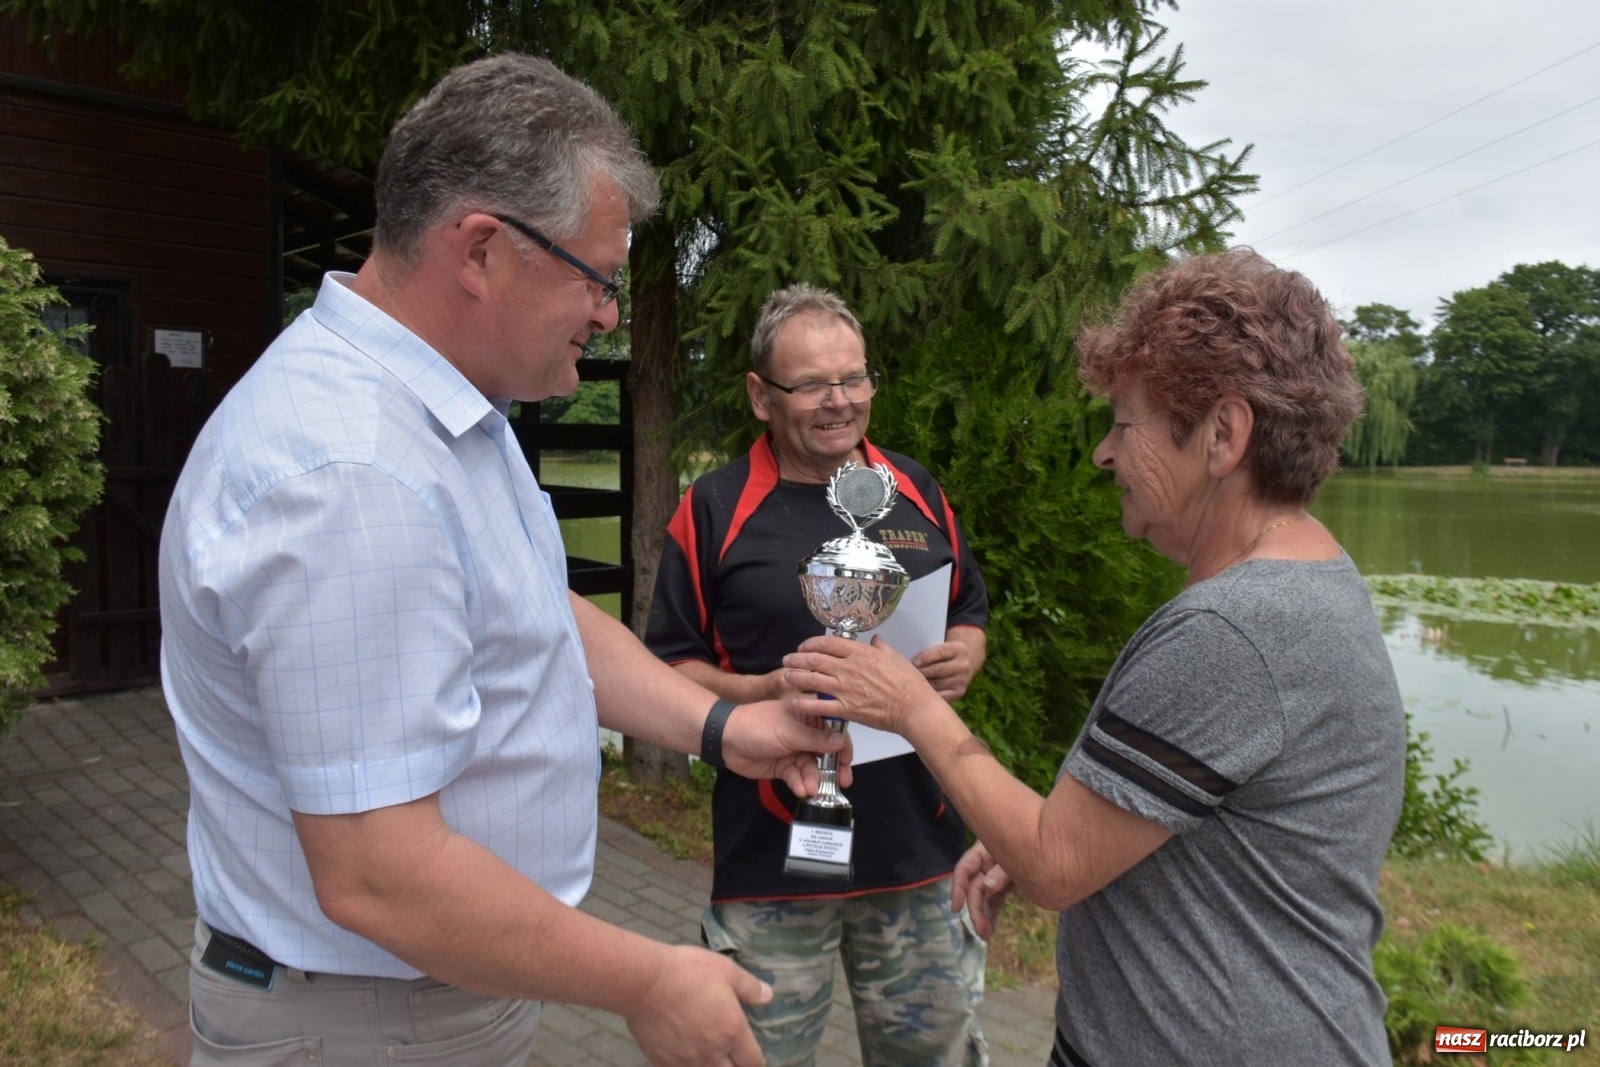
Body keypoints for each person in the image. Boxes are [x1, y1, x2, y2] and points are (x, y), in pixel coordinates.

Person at [158, 54, 850, 1067]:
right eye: (598, 278)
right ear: (481, 248)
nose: (610, 311)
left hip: (416, 997)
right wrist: (645, 979)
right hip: (365, 1022)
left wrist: (721, 723)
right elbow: (378, 873)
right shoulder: (355, 475)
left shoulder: (444, 421)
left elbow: (540, 615)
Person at [783, 249, 1406, 1066]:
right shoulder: (1313, 583)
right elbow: (1189, 833)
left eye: (1123, 420)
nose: (1102, 453)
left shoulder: (1231, 630)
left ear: (1223, 434)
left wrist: (911, 705)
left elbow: (1054, 862)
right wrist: (1063, 834)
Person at [645, 283, 991, 1066]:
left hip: (920, 853)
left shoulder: (916, 490)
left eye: (855, 378)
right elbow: (669, 666)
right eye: (812, 384)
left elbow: (969, 605)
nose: (840, 401)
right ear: (761, 396)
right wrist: (761, 692)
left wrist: (967, 649)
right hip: (771, 857)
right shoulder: (713, 507)